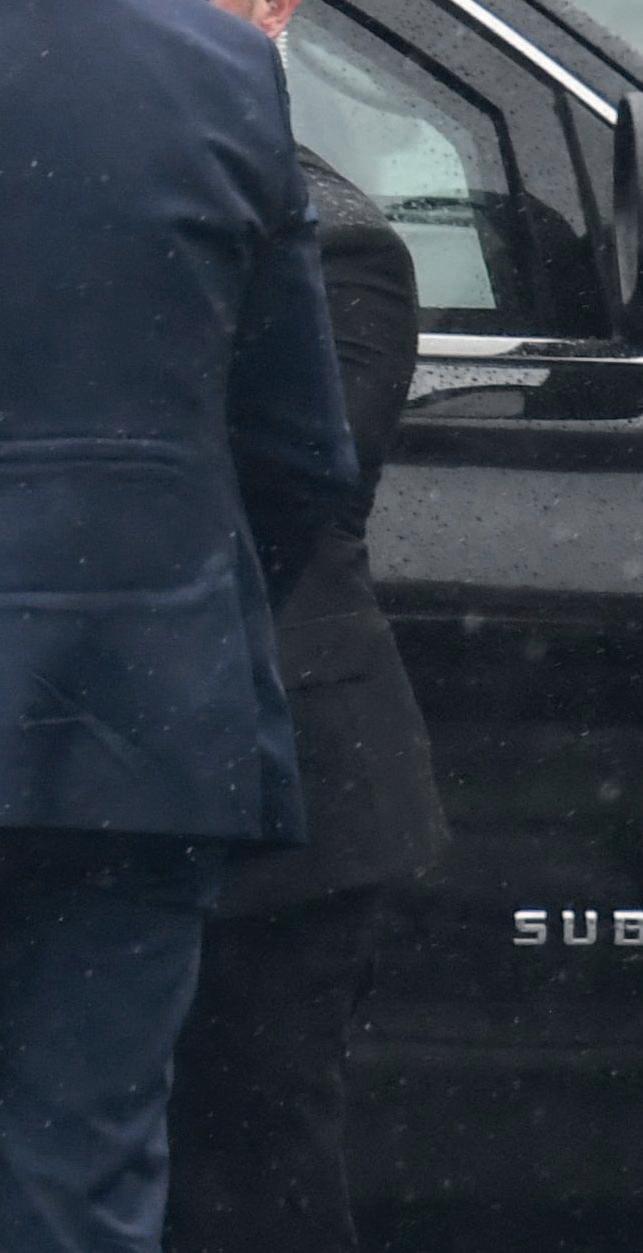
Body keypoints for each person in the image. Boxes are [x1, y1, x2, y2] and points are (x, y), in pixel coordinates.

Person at [0, 1, 358, 1249]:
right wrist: (170, 601)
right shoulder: (214, 68)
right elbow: (300, 454)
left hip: (129, 695)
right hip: (132, 709)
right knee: (80, 1162)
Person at [165, 3, 449, 1251]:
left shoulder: (335, 238)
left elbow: (288, 494)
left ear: (273, 16)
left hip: (282, 811)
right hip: (142, 783)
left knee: (250, 1162)